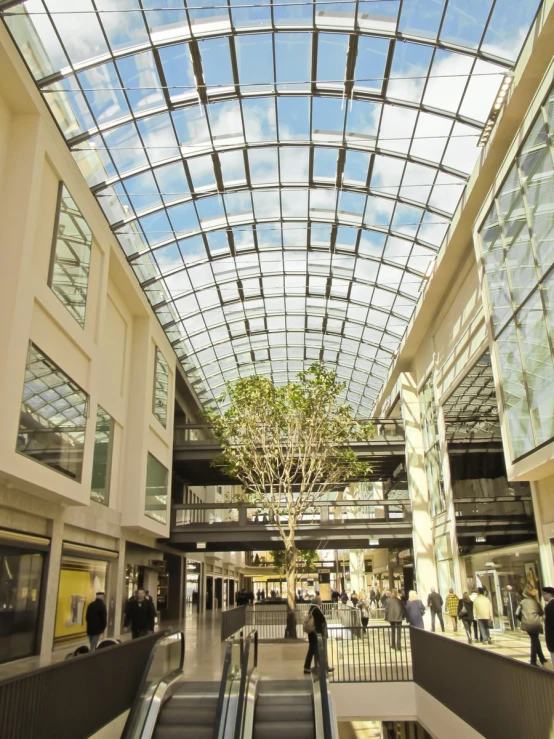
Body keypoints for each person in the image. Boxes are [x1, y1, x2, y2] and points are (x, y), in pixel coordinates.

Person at [518, 586, 547, 667]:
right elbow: (541, 612)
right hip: (535, 623)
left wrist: (522, 620)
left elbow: (517, 613)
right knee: (534, 641)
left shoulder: (522, 602)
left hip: (526, 624)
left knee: (535, 640)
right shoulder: (535, 602)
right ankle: (533, 660)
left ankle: (541, 658)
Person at [303, 603, 334, 674]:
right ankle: (324, 667)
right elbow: (321, 620)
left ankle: (308, 667)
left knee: (312, 650)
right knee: (317, 650)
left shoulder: (312, 609)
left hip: (311, 632)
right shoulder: (316, 610)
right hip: (314, 632)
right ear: (318, 602)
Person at [541, 586, 554, 667]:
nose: (543, 596)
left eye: (544, 594)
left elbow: (551, 624)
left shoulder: (549, 607)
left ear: (549, 594)